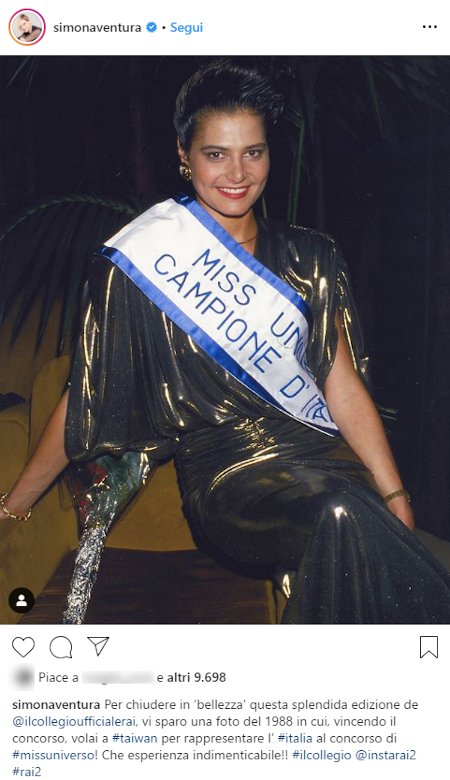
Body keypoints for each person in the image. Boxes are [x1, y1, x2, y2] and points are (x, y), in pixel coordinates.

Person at [1, 59, 450, 624]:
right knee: (341, 514)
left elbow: (340, 383)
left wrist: (395, 493)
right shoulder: (142, 263)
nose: (237, 173)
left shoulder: (312, 255)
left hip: (326, 460)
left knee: (349, 514)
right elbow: (85, 396)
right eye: (216, 154)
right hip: (229, 477)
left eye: (253, 152)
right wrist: (13, 505)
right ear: (184, 155)